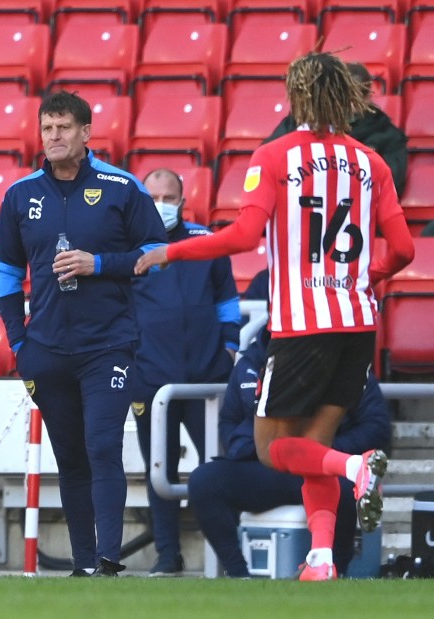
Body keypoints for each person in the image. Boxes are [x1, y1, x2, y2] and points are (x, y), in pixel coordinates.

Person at [135, 52, 415, 580]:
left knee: (274, 449)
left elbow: (242, 237)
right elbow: (403, 250)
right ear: (348, 99)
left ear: (297, 96)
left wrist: (169, 252)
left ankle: (355, 467)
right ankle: (323, 559)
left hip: (303, 325)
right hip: (358, 323)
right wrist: (363, 276)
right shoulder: (371, 162)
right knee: (315, 444)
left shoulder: (274, 156)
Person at [0, 90, 169, 576]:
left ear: (86, 133)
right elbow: (6, 275)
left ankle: (110, 560)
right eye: (47, 128)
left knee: (101, 446)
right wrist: (19, 343)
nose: (54, 136)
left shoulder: (121, 186)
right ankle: (83, 563)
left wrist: (100, 264)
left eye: (64, 127)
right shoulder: (20, 194)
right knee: (69, 457)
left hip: (108, 345)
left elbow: (156, 255)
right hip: (45, 349)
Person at [189, 326, 391, 577]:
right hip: (264, 467)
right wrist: (252, 446)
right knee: (203, 481)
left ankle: (334, 570)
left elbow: (377, 426)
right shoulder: (249, 362)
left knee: (344, 492)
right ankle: (238, 575)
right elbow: (229, 421)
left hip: (322, 466)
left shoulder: (338, 360)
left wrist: (320, 453)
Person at [130, 168, 241, 576]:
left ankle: (232, 557)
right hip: (149, 379)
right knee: (159, 469)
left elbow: (227, 301)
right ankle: (167, 556)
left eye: (169, 197)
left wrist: (230, 347)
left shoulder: (206, 242)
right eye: (154, 196)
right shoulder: (129, 246)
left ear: (182, 201)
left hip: (207, 379)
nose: (162, 204)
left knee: (222, 467)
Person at [264, 62, 408, 196]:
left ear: (367, 97)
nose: (348, 104)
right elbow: (267, 162)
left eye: (355, 97)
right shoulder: (297, 123)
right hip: (298, 204)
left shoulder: (387, 136)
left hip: (355, 213)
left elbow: (389, 186)